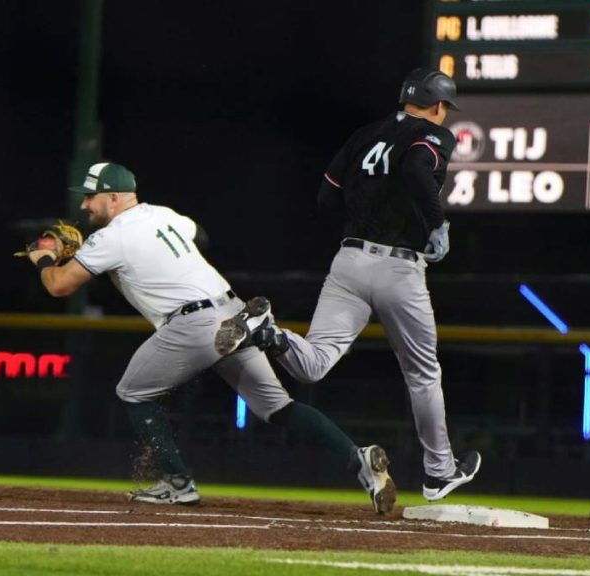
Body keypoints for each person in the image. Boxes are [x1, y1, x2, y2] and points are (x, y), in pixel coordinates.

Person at [26, 161, 397, 514]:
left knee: (133, 392)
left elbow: (59, 286)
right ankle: (358, 458)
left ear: (114, 197)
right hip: (231, 310)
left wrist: (43, 256)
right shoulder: (164, 215)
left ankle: (178, 483)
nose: (84, 205)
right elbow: (199, 235)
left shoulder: (111, 236)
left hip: (191, 322)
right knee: (278, 408)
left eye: (90, 196)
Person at [215, 68, 480, 502]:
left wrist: (364, 220)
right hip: (399, 269)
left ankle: (268, 332)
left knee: (313, 364)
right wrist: (437, 223)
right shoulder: (432, 134)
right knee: (423, 374)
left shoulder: (364, 135)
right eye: (445, 108)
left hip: (349, 260)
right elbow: (417, 167)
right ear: (438, 105)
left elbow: (326, 197)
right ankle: (439, 473)